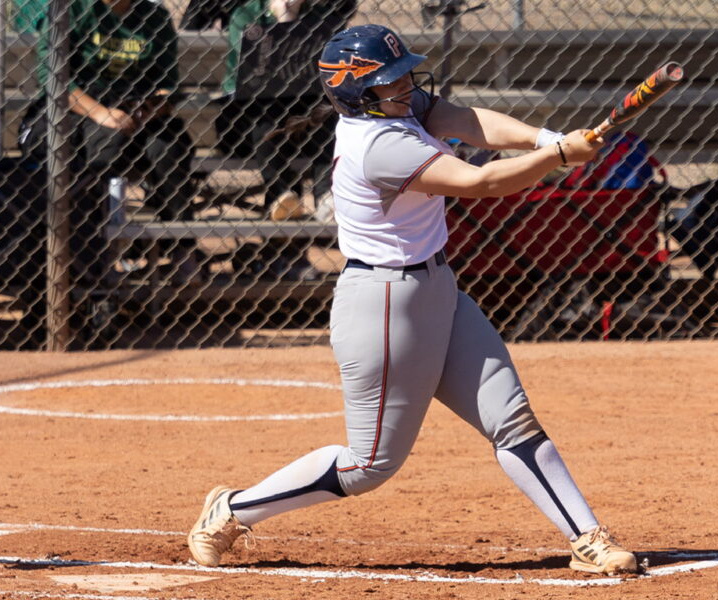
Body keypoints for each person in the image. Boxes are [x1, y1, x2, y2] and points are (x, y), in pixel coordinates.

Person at [187, 24, 641, 577]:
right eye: (390, 80)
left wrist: (546, 138)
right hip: (383, 306)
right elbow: (481, 183)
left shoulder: (396, 109)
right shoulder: (379, 144)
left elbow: (468, 121)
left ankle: (585, 538)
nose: (406, 85)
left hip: (438, 290)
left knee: (513, 421)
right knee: (369, 465)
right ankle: (231, 510)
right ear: (358, 92)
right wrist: (559, 157)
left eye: (404, 75)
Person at [23, 0, 202, 286]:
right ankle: (97, 253)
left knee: (168, 148)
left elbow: (168, 80)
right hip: (84, 110)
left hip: (138, 111)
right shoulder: (71, 10)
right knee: (105, 147)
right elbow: (53, 78)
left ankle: (182, 248)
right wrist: (100, 112)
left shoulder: (153, 17)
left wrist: (153, 106)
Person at [216, 0, 355, 280]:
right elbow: (253, 76)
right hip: (250, 115)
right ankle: (281, 196)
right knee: (267, 115)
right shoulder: (246, 13)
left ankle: (323, 196)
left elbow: (333, 76)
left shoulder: (324, 16)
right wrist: (284, 21)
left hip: (307, 116)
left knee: (327, 113)